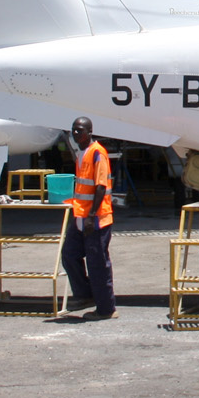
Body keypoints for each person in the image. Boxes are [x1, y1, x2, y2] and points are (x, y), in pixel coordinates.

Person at [61, 117, 116, 321]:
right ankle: (85, 295)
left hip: (96, 218)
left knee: (98, 263)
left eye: (80, 131)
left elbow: (101, 187)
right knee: (69, 254)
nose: (77, 134)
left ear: (90, 132)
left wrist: (92, 215)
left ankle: (106, 308)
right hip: (80, 216)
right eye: (74, 131)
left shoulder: (97, 153)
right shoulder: (82, 153)